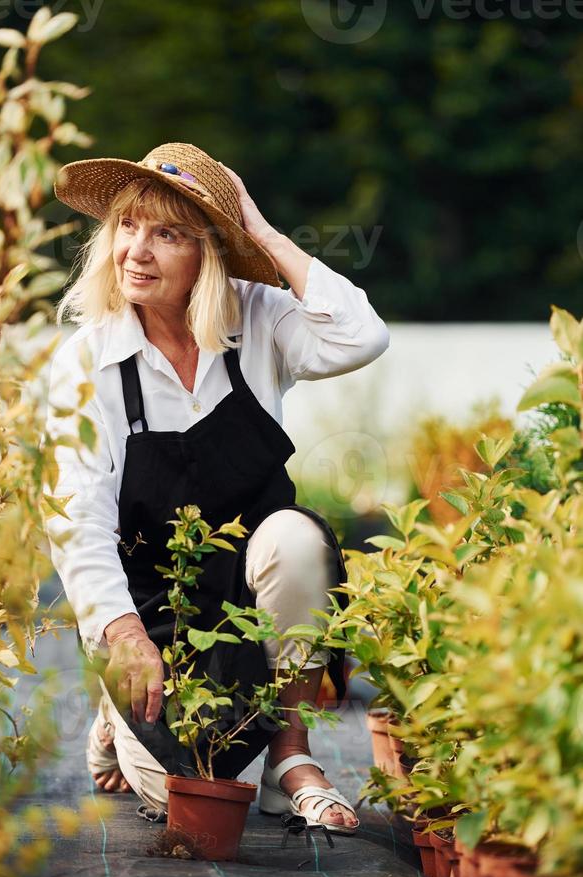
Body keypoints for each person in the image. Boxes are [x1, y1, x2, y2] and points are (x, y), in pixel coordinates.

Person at [44, 142, 390, 835]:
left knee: (297, 537)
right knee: (180, 794)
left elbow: (362, 335)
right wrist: (122, 633)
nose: (136, 251)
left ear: (209, 253)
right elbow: (74, 514)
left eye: (167, 234)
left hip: (249, 589)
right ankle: (119, 714)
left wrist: (257, 234)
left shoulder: (257, 318)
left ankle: (291, 758)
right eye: (128, 227)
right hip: (151, 611)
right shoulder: (86, 360)